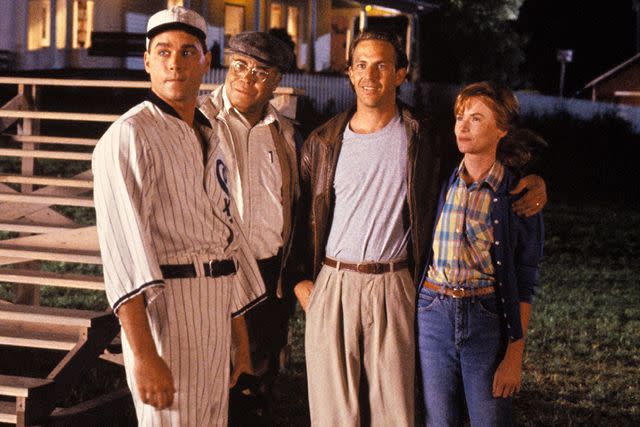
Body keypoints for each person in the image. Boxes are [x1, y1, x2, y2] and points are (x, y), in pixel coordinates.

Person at [292, 31, 547, 426]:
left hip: (394, 282)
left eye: (381, 65)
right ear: (349, 72)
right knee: (332, 415)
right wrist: (303, 285)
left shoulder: (423, 136)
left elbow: (483, 150)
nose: (370, 75)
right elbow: (298, 213)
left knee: (395, 412)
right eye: (361, 65)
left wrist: (533, 179)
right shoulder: (322, 141)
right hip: (333, 282)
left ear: (400, 74)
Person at [92, 7, 265, 426]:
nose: (175, 62)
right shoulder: (130, 135)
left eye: (188, 52)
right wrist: (145, 354)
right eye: (164, 51)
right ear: (147, 60)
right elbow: (123, 253)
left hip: (215, 308)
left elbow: (228, 235)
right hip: (167, 309)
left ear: (206, 61)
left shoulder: (210, 129)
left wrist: (241, 342)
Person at [416, 82, 544, 426]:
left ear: (501, 129)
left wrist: (514, 355)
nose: (463, 126)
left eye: (476, 118)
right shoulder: (441, 181)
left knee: (489, 417)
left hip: (485, 316)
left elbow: (526, 277)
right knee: (438, 419)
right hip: (432, 313)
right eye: (460, 117)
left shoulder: (515, 194)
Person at [198, 31, 299, 421]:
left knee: (258, 384)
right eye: (239, 66)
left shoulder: (286, 133)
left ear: (275, 81)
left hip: (267, 274)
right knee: (211, 377)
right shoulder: (199, 120)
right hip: (216, 274)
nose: (246, 77)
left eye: (260, 72)